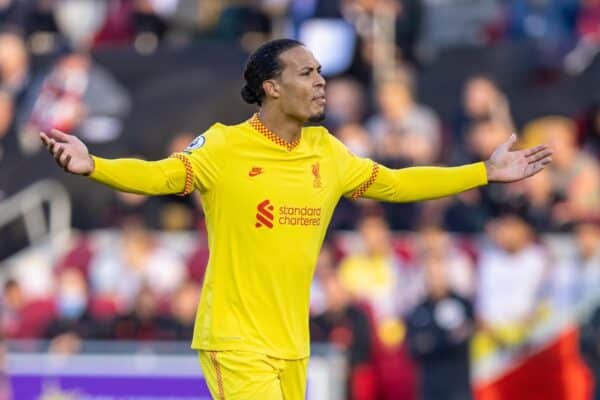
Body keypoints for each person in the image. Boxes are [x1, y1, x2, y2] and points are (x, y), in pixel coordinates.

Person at [39, 38, 552, 400]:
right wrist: (95, 166)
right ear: (272, 87)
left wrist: (482, 172)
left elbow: (398, 183)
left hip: (292, 344)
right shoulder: (224, 144)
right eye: (307, 73)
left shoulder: (326, 151)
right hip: (235, 341)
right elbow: (160, 176)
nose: (321, 82)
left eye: (321, 73)